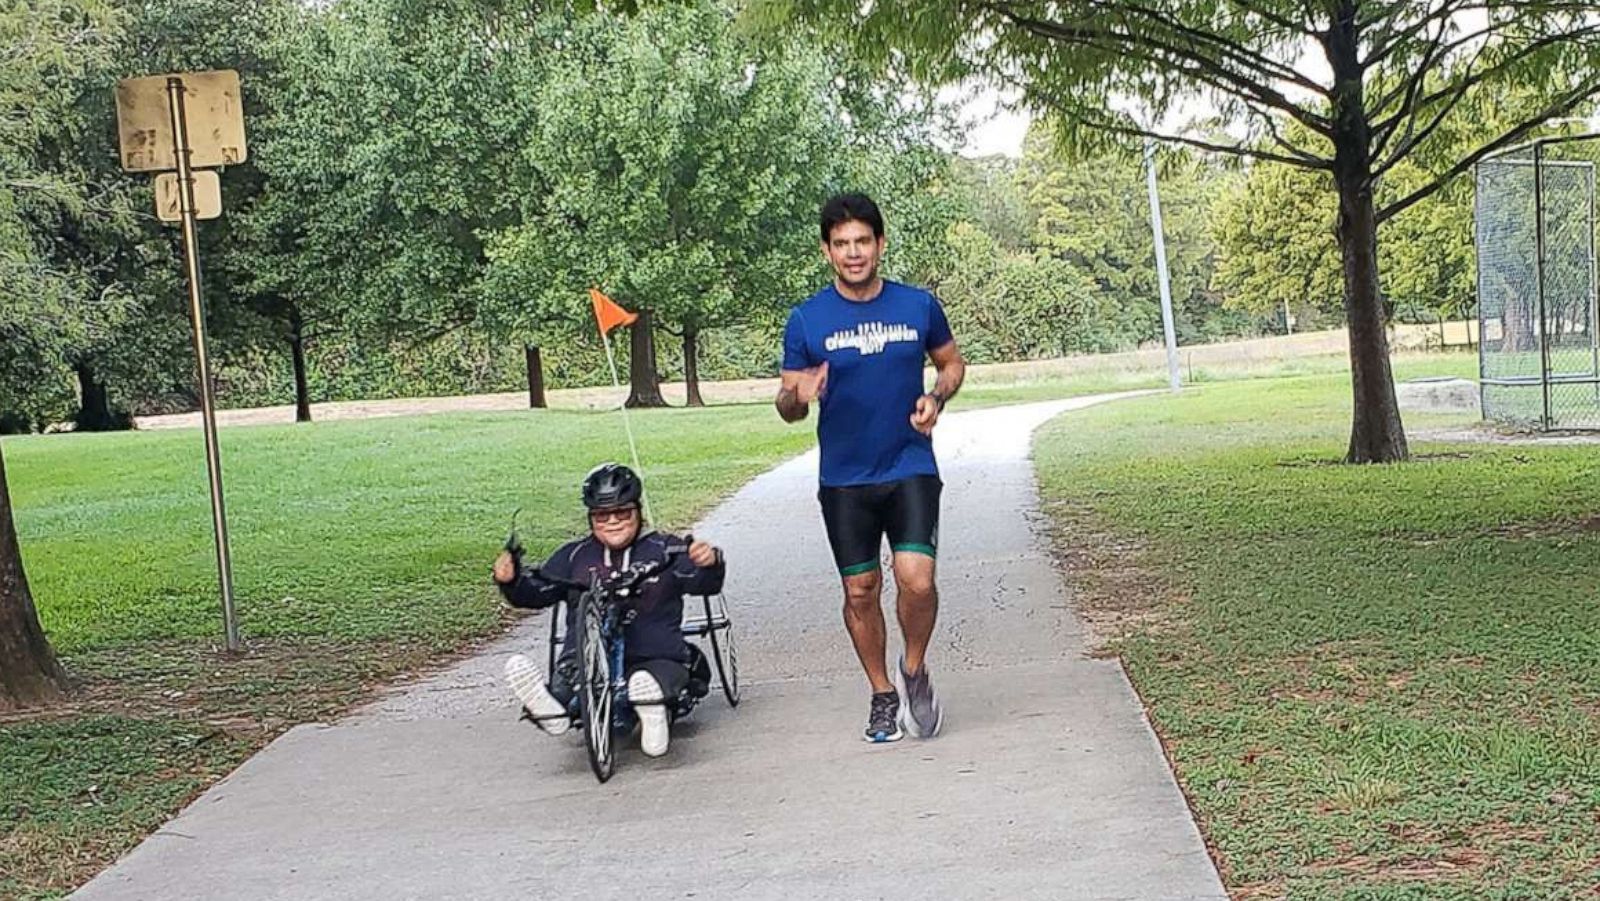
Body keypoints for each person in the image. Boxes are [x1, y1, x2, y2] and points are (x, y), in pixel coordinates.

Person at [776, 192, 966, 743]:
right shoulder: (807, 320)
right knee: (861, 589)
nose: (853, 253)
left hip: (909, 464)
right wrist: (798, 397)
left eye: (863, 241)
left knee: (917, 580)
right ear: (826, 251)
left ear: (880, 245)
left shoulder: (918, 306)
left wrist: (937, 397)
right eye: (841, 244)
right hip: (844, 480)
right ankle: (883, 692)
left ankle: (914, 667)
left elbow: (951, 362)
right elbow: (788, 406)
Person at [492, 463, 725, 758]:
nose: (613, 521)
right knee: (571, 680)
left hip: (654, 655)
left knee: (653, 677)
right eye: (602, 515)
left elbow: (704, 583)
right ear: (591, 517)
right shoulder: (573, 555)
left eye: (622, 513)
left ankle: (651, 709)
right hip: (585, 661)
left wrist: (709, 561)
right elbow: (537, 593)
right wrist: (511, 580)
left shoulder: (665, 547)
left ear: (638, 511)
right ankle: (553, 709)